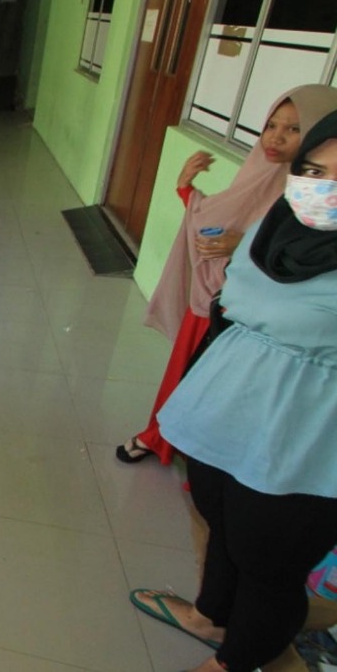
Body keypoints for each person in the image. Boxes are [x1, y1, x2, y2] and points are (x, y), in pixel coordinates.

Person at [130, 110, 337, 672]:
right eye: (313, 169)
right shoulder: (278, 225)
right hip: (230, 406)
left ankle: (237, 661)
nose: (321, 189)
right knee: (221, 521)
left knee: (270, 562)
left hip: (303, 435)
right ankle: (210, 614)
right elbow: (229, 306)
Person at [116, 85, 337, 465]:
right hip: (219, 305)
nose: (276, 137)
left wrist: (248, 247)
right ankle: (165, 440)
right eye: (271, 125)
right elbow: (220, 223)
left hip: (276, 341)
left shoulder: (308, 196)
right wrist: (188, 192)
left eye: (294, 129)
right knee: (193, 380)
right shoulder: (266, 176)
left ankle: (199, 457)